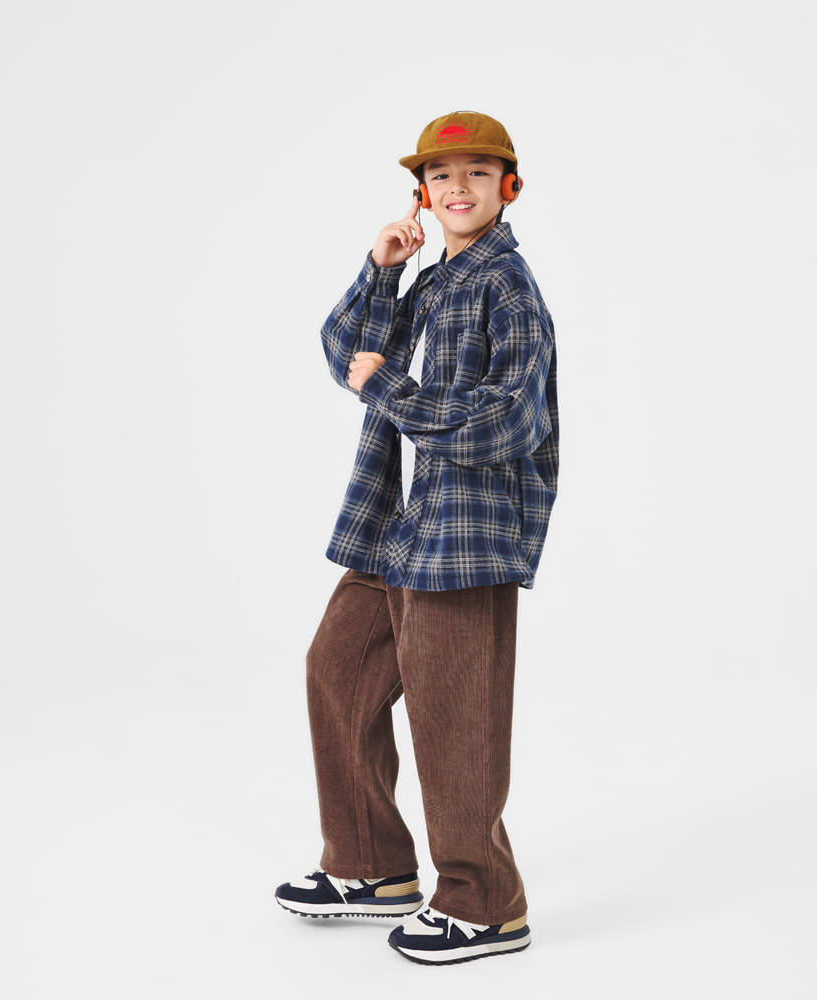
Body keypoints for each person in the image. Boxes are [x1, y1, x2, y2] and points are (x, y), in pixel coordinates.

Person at [274, 111, 560, 965]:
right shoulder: (434, 283)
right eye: (441, 175)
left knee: (454, 719)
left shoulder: (509, 289)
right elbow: (346, 355)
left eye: (477, 172)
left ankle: (484, 904)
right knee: (337, 670)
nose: (458, 187)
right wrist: (381, 269)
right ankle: (371, 867)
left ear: (509, 186)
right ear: (422, 194)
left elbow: (510, 421)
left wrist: (396, 391)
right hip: (396, 528)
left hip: (462, 538)